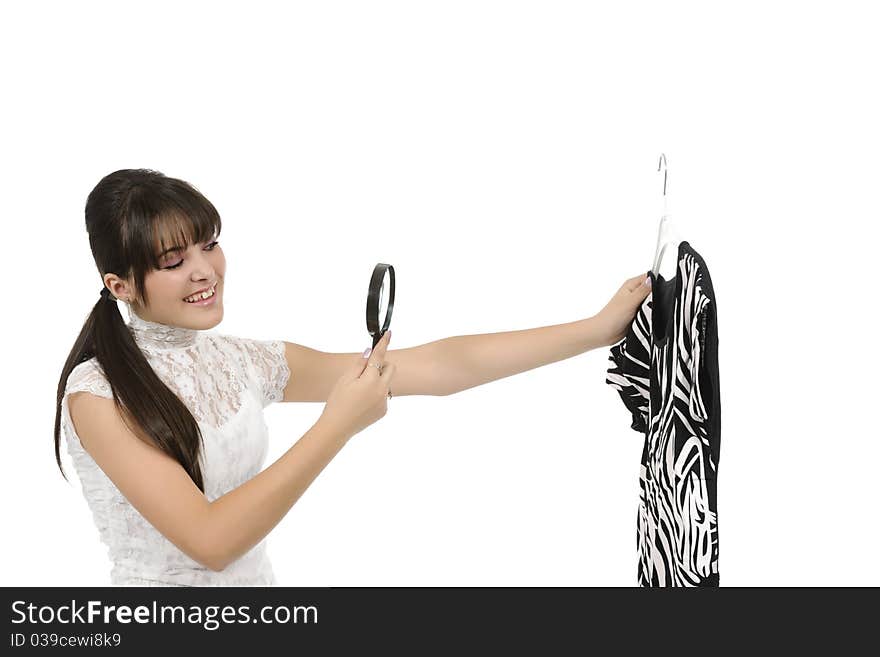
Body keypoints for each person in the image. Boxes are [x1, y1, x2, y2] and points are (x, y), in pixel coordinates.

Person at [53, 168, 652, 586]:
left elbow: (439, 367)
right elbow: (211, 543)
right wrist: (335, 426)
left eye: (210, 245)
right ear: (120, 285)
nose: (205, 271)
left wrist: (596, 330)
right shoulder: (95, 393)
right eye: (173, 262)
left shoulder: (240, 359)